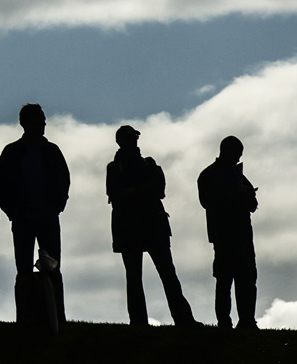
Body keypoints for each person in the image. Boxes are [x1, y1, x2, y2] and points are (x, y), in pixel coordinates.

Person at [107, 125, 197, 327]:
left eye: (134, 137)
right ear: (121, 142)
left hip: (149, 225)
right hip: (134, 227)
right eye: (130, 138)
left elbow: (158, 189)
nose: (134, 141)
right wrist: (144, 189)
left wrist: (135, 190)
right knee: (138, 277)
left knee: (166, 273)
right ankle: (141, 321)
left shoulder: (147, 164)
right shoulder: (116, 167)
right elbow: (118, 195)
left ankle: (182, 319)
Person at [0, 103, 69, 324]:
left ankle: (57, 317)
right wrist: (13, 211)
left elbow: (63, 180)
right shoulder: (13, 152)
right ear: (25, 123)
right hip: (24, 218)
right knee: (24, 270)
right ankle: (26, 317)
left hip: (47, 217)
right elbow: (1, 185)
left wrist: (56, 206)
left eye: (43, 119)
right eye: (39, 119)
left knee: (53, 268)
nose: (44, 123)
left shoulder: (51, 150)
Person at [197, 136, 259, 329]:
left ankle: (247, 321)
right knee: (225, 280)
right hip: (224, 235)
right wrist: (236, 192)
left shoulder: (233, 174)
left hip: (242, 235)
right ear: (227, 151)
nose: (239, 158)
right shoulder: (209, 175)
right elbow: (207, 201)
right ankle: (224, 322)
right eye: (237, 154)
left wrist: (247, 194)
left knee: (246, 279)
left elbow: (253, 205)